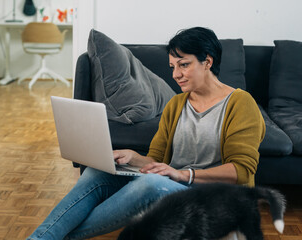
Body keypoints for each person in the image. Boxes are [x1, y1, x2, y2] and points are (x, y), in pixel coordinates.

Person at [27, 27, 265, 240]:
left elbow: (241, 171)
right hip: (174, 183)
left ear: (207, 62)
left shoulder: (240, 103)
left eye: (184, 65)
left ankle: (56, 237)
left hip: (217, 197)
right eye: (173, 67)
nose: (176, 74)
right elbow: (157, 159)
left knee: (151, 184)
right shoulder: (177, 104)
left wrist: (183, 175)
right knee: (96, 172)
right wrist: (132, 156)